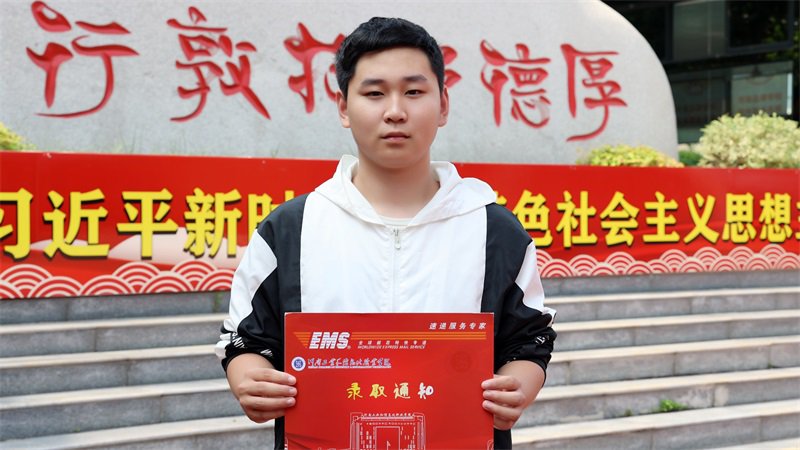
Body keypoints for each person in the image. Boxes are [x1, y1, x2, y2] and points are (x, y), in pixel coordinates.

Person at [216, 16, 556, 450]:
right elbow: (245, 338)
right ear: (343, 107)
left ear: (443, 105)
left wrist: (519, 384)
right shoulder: (289, 230)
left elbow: (529, 339)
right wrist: (249, 378)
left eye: (414, 92)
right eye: (374, 93)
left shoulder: (496, 231)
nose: (395, 111)